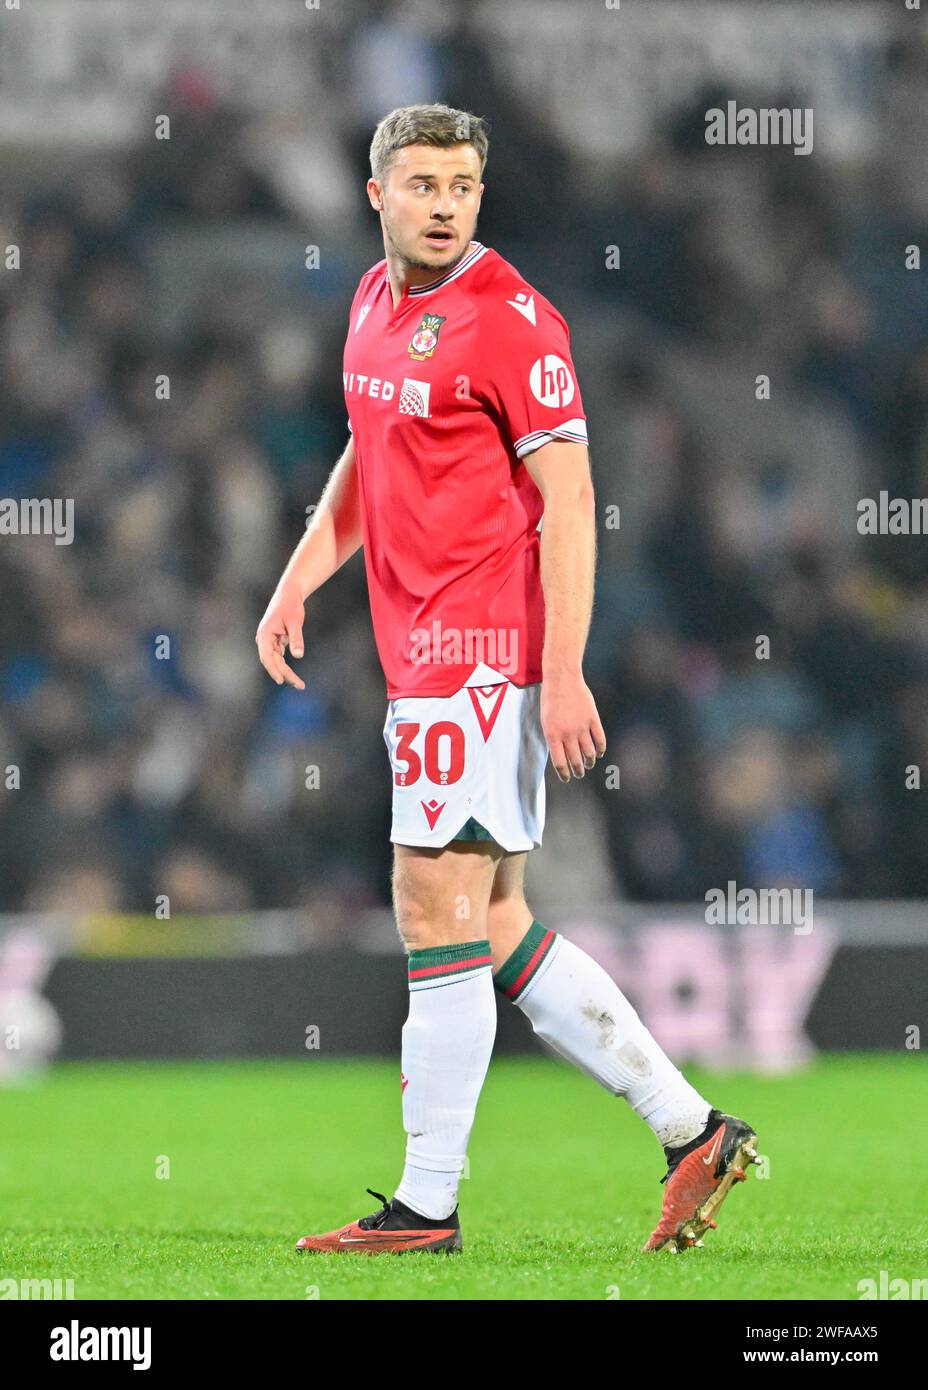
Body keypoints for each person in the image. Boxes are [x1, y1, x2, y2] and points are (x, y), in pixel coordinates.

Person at [256, 103, 758, 1255]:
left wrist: (565, 666)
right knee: (489, 919)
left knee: (432, 905)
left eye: (463, 186)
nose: (443, 205)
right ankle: (689, 1129)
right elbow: (369, 454)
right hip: (414, 647)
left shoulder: (515, 322)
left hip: (482, 653)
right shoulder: (372, 306)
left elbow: (571, 500)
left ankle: (426, 1205)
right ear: (376, 191)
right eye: (423, 183)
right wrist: (297, 578)